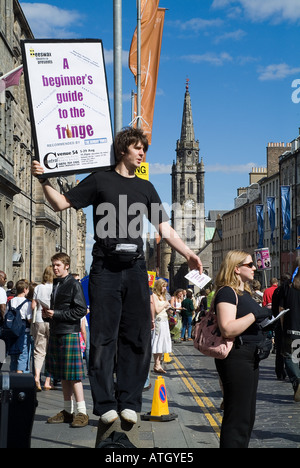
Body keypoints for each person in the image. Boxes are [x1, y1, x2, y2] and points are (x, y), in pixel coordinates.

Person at [32, 126, 202, 426]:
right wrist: (44, 180)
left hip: (135, 268)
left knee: (136, 336)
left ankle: (129, 402)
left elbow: (164, 228)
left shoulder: (146, 187)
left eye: (144, 150)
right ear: (123, 149)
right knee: (103, 336)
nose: (143, 154)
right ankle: (106, 402)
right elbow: (61, 203)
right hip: (105, 268)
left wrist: (188, 253)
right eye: (138, 148)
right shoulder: (100, 180)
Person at [213, 250, 272, 448]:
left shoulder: (243, 291)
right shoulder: (226, 292)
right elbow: (227, 328)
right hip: (237, 358)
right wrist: (256, 315)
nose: (255, 267)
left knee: (246, 416)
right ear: (236, 269)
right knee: (237, 417)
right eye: (250, 265)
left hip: (249, 357)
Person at [43, 253, 89, 428]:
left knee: (74, 376)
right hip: (57, 331)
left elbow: (81, 310)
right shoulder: (57, 283)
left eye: (58, 265)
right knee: (63, 374)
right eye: (53, 265)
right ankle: (67, 411)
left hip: (70, 332)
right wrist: (48, 315)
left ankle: (82, 412)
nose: (55, 268)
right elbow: (60, 309)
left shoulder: (73, 284)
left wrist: (56, 314)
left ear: (67, 266)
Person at [31, 265, 54, 391]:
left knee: (39, 351)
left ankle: (37, 376)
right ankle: (47, 381)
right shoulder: (56, 287)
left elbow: (33, 306)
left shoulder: (39, 287)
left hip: (39, 320)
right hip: (52, 321)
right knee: (51, 351)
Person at [279, 269, 300, 402]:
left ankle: (297, 380)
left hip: (291, 330)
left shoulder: (286, 288)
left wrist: (283, 327)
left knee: (290, 357)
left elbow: (281, 310)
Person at [9, 279, 32, 373]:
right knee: (23, 353)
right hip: (24, 330)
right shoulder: (27, 303)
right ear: (25, 290)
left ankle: (13, 375)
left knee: (13, 353)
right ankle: (20, 375)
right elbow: (29, 318)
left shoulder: (11, 301)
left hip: (12, 330)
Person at [151, 279, 172, 374]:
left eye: (166, 286)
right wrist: (165, 305)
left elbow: (164, 308)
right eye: (163, 286)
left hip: (165, 320)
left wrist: (168, 308)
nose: (165, 288)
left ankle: (158, 363)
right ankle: (157, 364)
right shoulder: (154, 296)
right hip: (159, 321)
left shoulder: (163, 297)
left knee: (163, 342)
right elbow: (157, 310)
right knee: (158, 342)